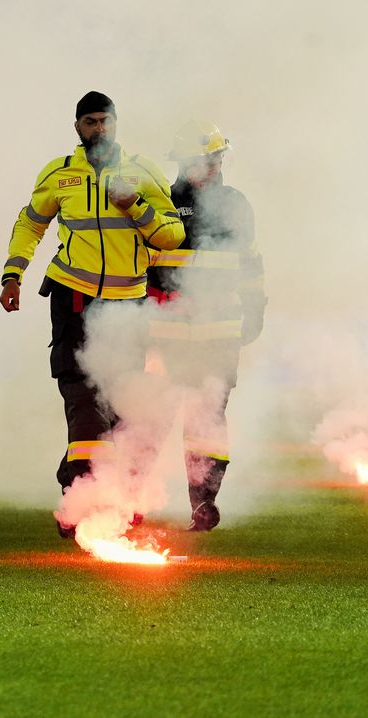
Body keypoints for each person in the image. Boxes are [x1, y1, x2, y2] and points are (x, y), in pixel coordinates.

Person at [0, 91, 186, 537]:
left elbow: (173, 236)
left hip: (127, 308)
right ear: (77, 127)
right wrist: (12, 274)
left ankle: (106, 496)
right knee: (82, 399)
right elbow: (30, 223)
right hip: (74, 300)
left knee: (120, 410)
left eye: (104, 120)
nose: (98, 129)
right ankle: (82, 502)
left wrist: (135, 206)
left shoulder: (143, 173)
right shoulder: (60, 174)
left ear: (116, 123)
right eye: (89, 122)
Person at [145, 120, 267, 531]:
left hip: (218, 333)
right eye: (204, 159)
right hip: (166, 332)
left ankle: (204, 502)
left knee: (208, 418)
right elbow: (144, 267)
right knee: (150, 416)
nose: (213, 166)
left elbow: (249, 263)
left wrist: (254, 307)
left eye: (216, 157)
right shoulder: (159, 201)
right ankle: (127, 498)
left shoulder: (236, 205)